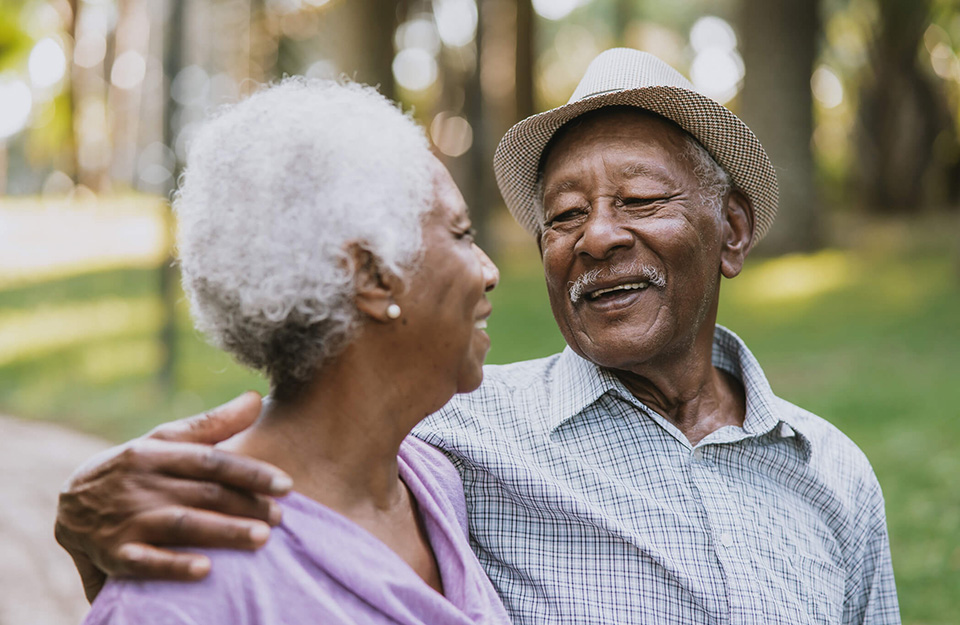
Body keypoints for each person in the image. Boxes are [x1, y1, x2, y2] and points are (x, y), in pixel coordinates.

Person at [57, 49, 900, 624]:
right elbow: (313, 408)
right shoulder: (455, 435)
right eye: (563, 217)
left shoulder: (835, 472)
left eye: (641, 201)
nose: (596, 237)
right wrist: (90, 515)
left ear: (734, 231)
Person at [75, 78, 510, 624]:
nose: (490, 272)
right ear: (374, 275)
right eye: (462, 234)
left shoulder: (431, 483)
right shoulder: (185, 585)